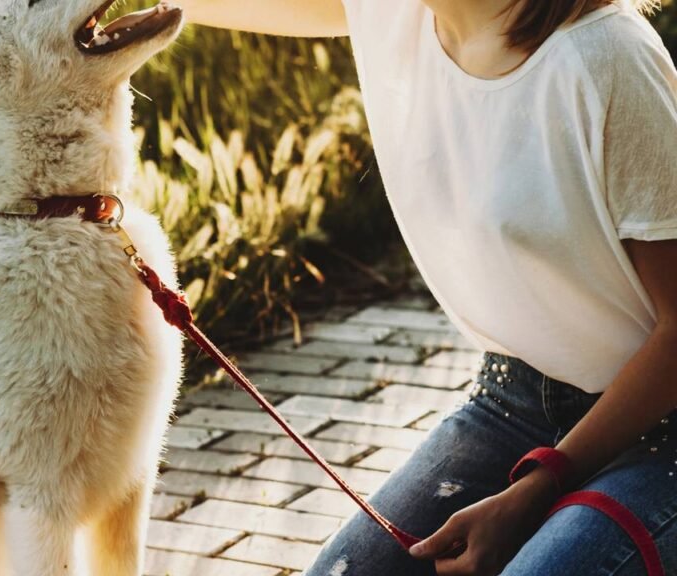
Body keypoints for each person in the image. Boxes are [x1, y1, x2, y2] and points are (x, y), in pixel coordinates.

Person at [169, 0, 677, 574]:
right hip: (515, 401)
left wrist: (542, 483)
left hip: (662, 426)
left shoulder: (605, 57)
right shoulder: (393, 15)